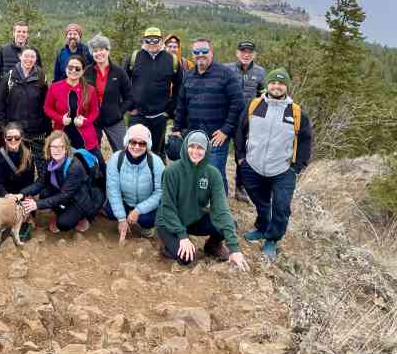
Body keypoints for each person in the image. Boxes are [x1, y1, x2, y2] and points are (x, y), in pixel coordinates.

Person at [235, 68, 312, 261]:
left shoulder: (296, 113)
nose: (276, 86)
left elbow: (305, 141)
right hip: (252, 165)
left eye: (280, 83)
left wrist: (297, 167)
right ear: (267, 85)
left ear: (286, 86)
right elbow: (240, 131)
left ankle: (272, 238)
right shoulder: (254, 105)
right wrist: (241, 157)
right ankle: (262, 226)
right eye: (273, 83)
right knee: (260, 200)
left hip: (283, 169)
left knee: (281, 206)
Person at [156, 130, 249, 271]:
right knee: (186, 258)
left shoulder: (213, 174)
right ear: (185, 147)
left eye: (200, 148)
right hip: (169, 221)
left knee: (230, 224)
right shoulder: (171, 171)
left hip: (193, 219)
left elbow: (222, 210)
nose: (195, 151)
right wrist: (182, 236)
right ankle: (168, 243)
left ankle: (212, 245)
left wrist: (234, 249)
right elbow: (167, 208)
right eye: (192, 146)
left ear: (207, 150)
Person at [173, 38, 244, 195]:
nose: (200, 55)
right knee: (194, 172)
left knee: (215, 174)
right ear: (192, 55)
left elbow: (238, 104)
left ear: (211, 52)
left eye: (204, 51)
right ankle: (197, 206)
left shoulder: (226, 74)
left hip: (216, 137)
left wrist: (226, 130)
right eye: (196, 52)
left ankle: (220, 211)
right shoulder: (189, 76)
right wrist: (177, 128)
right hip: (193, 136)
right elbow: (181, 104)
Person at [20, 131, 104, 233]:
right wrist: (21, 194)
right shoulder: (49, 160)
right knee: (44, 194)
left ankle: (84, 217)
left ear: (66, 149)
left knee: (63, 224)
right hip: (64, 192)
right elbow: (41, 182)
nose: (57, 150)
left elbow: (64, 195)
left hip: (81, 198)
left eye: (61, 147)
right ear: (49, 148)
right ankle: (63, 212)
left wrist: (37, 205)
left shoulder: (74, 167)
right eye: (53, 147)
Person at [125, 27, 183, 158]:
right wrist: (129, 106)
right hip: (137, 115)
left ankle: (155, 177)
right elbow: (123, 83)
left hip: (159, 116)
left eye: (155, 39)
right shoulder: (134, 58)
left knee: (155, 152)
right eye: (148, 39)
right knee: (134, 149)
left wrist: (169, 110)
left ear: (161, 41)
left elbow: (179, 87)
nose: (152, 42)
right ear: (143, 40)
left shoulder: (171, 60)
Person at [0, 46, 50, 179]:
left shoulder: (42, 77)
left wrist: (48, 128)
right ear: (20, 57)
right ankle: (17, 191)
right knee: (18, 163)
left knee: (40, 164)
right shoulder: (9, 77)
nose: (29, 59)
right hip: (15, 131)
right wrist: (2, 131)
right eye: (26, 56)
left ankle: (39, 191)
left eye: (32, 56)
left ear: (36, 59)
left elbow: (45, 105)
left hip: (36, 130)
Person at [224, 40, 267, 203]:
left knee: (242, 155)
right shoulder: (227, 69)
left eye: (249, 52)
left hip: (247, 122)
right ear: (237, 53)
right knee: (218, 152)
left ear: (254, 54)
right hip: (226, 118)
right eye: (243, 51)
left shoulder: (261, 72)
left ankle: (240, 189)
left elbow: (264, 97)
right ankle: (218, 186)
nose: (246, 54)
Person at [105, 124, 164, 240]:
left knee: (147, 219)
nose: (137, 147)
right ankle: (124, 221)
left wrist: (138, 210)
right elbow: (113, 189)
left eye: (142, 143)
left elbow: (160, 192)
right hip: (126, 201)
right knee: (110, 210)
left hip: (146, 203)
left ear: (147, 145)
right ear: (127, 142)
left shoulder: (156, 162)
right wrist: (121, 218)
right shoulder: (116, 159)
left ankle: (145, 226)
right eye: (133, 142)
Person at [45, 54, 101, 168]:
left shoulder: (90, 89)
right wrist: (60, 119)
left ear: (82, 71)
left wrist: (85, 122)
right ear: (66, 69)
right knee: (63, 167)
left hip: (85, 136)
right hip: (62, 134)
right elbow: (47, 108)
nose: (73, 71)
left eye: (77, 68)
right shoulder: (55, 87)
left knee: (90, 167)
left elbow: (95, 112)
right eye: (70, 67)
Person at [84, 34, 131, 152]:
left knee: (123, 151)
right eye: (95, 51)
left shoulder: (119, 72)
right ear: (92, 53)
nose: (99, 53)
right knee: (92, 153)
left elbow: (129, 97)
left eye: (102, 49)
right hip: (93, 120)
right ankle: (99, 171)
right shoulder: (87, 72)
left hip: (114, 120)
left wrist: (119, 112)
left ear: (108, 50)